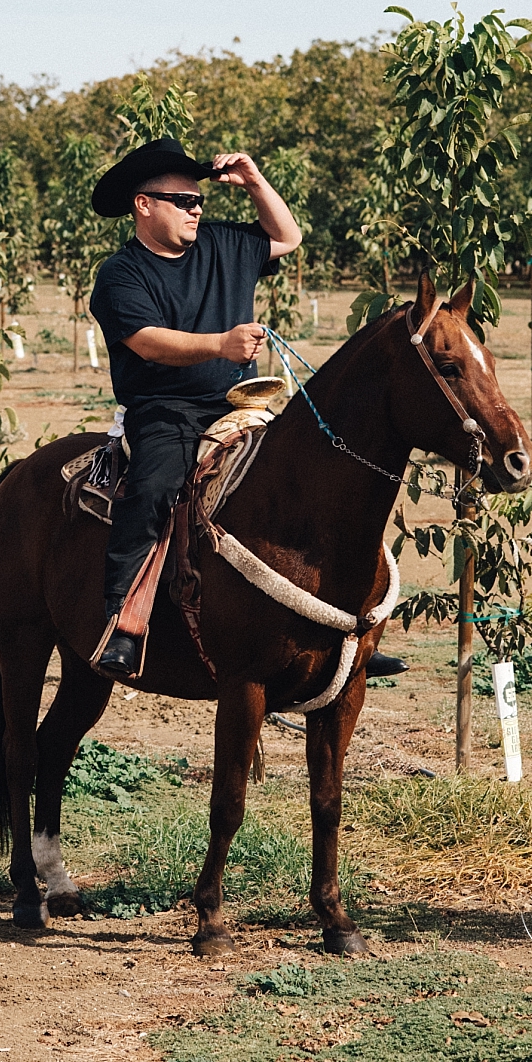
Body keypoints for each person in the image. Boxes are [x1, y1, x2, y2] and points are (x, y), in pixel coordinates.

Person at [87, 136, 408, 683]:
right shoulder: (121, 274)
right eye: (183, 201)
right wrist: (220, 344)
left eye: (200, 201)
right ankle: (124, 622)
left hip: (240, 404)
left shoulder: (223, 245)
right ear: (144, 205)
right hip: (168, 411)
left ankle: (346, 628)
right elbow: (145, 341)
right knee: (155, 487)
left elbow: (288, 236)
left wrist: (256, 181)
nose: (196, 209)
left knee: (312, 475)